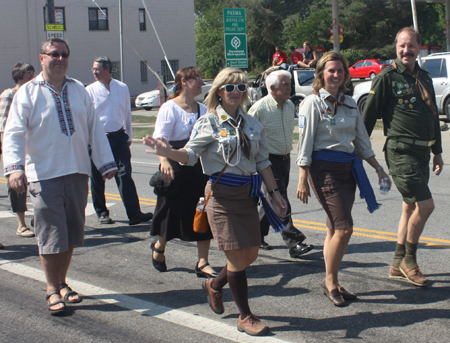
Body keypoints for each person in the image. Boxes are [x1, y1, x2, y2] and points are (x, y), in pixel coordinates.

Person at [143, 67, 287, 336]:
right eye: (230, 87)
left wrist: (275, 193)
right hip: (220, 197)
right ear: (219, 91)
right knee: (235, 257)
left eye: (241, 88)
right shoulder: (208, 122)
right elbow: (190, 155)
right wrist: (168, 153)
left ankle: (214, 285)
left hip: (247, 196)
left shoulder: (252, 124)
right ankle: (246, 316)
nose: (236, 92)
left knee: (249, 255)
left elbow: (263, 161)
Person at [3, 38, 117, 315]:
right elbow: (14, 133)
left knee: (69, 234)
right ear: (42, 58)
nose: (60, 58)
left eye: (64, 54)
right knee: (50, 234)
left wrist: (105, 163)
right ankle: (52, 289)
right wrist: (15, 168)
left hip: (77, 171)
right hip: (44, 173)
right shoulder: (28, 92)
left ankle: (63, 282)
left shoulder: (79, 90)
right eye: (54, 54)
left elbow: (94, 130)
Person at [296, 52, 391, 306]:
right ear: (321, 74)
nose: (336, 75)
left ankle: (333, 280)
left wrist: (378, 168)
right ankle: (329, 282)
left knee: (332, 228)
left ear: (346, 74)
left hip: (348, 171)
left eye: (340, 71)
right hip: (324, 170)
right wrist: (302, 177)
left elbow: (361, 140)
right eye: (331, 71)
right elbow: (304, 143)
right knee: (344, 228)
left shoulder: (349, 103)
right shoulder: (312, 103)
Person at [363, 27, 443, 287]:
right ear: (395, 48)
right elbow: (367, 119)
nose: (406, 50)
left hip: (422, 151)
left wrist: (437, 151)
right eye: (401, 46)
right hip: (400, 151)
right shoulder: (387, 77)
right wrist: (361, 156)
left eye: (411, 46)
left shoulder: (424, 77)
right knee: (426, 205)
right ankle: (410, 260)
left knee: (410, 206)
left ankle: (397, 264)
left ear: (419, 47)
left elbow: (432, 116)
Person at [149, 66, 215, 277]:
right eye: (197, 78)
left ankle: (203, 261)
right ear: (184, 82)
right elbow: (161, 139)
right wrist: (164, 162)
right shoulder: (170, 108)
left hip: (199, 167)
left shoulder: (203, 109)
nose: (201, 82)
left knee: (202, 210)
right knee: (170, 211)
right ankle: (159, 246)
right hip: (175, 165)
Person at [248, 70, 314, 257]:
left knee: (271, 201)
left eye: (289, 84)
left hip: (285, 159)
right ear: (272, 88)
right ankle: (294, 243)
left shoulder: (289, 106)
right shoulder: (259, 108)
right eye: (285, 84)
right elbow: (247, 134)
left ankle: (256, 236)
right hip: (267, 162)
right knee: (280, 200)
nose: (289, 87)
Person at [86, 57, 153, 226]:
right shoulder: (89, 90)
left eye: (98, 69)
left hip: (119, 137)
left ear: (108, 69)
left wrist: (129, 136)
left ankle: (134, 214)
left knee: (124, 175)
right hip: (98, 139)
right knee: (97, 177)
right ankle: (102, 212)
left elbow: (127, 114)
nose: (94, 72)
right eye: (93, 69)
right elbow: (86, 117)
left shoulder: (122, 88)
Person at [0, 63, 35, 238]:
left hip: (35, 148)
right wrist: (6, 151)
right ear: (19, 75)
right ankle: (21, 224)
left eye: (32, 72)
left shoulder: (35, 94)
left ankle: (39, 216)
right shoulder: (9, 94)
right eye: (28, 72)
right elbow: (3, 124)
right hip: (17, 147)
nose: (31, 75)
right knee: (18, 185)